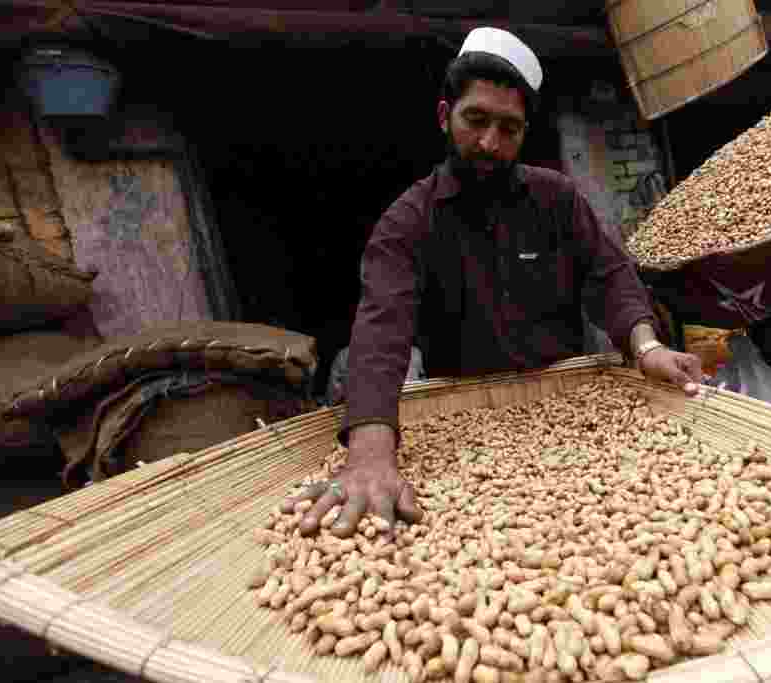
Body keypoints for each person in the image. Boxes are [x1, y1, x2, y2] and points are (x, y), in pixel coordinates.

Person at [283, 27, 703, 538]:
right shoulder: (408, 221)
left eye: (509, 128)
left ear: (525, 132)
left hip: (566, 407)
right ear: (444, 117)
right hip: (465, 411)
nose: (489, 143)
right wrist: (370, 453)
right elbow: (381, 330)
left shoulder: (557, 200)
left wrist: (646, 346)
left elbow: (609, 273)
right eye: (475, 121)